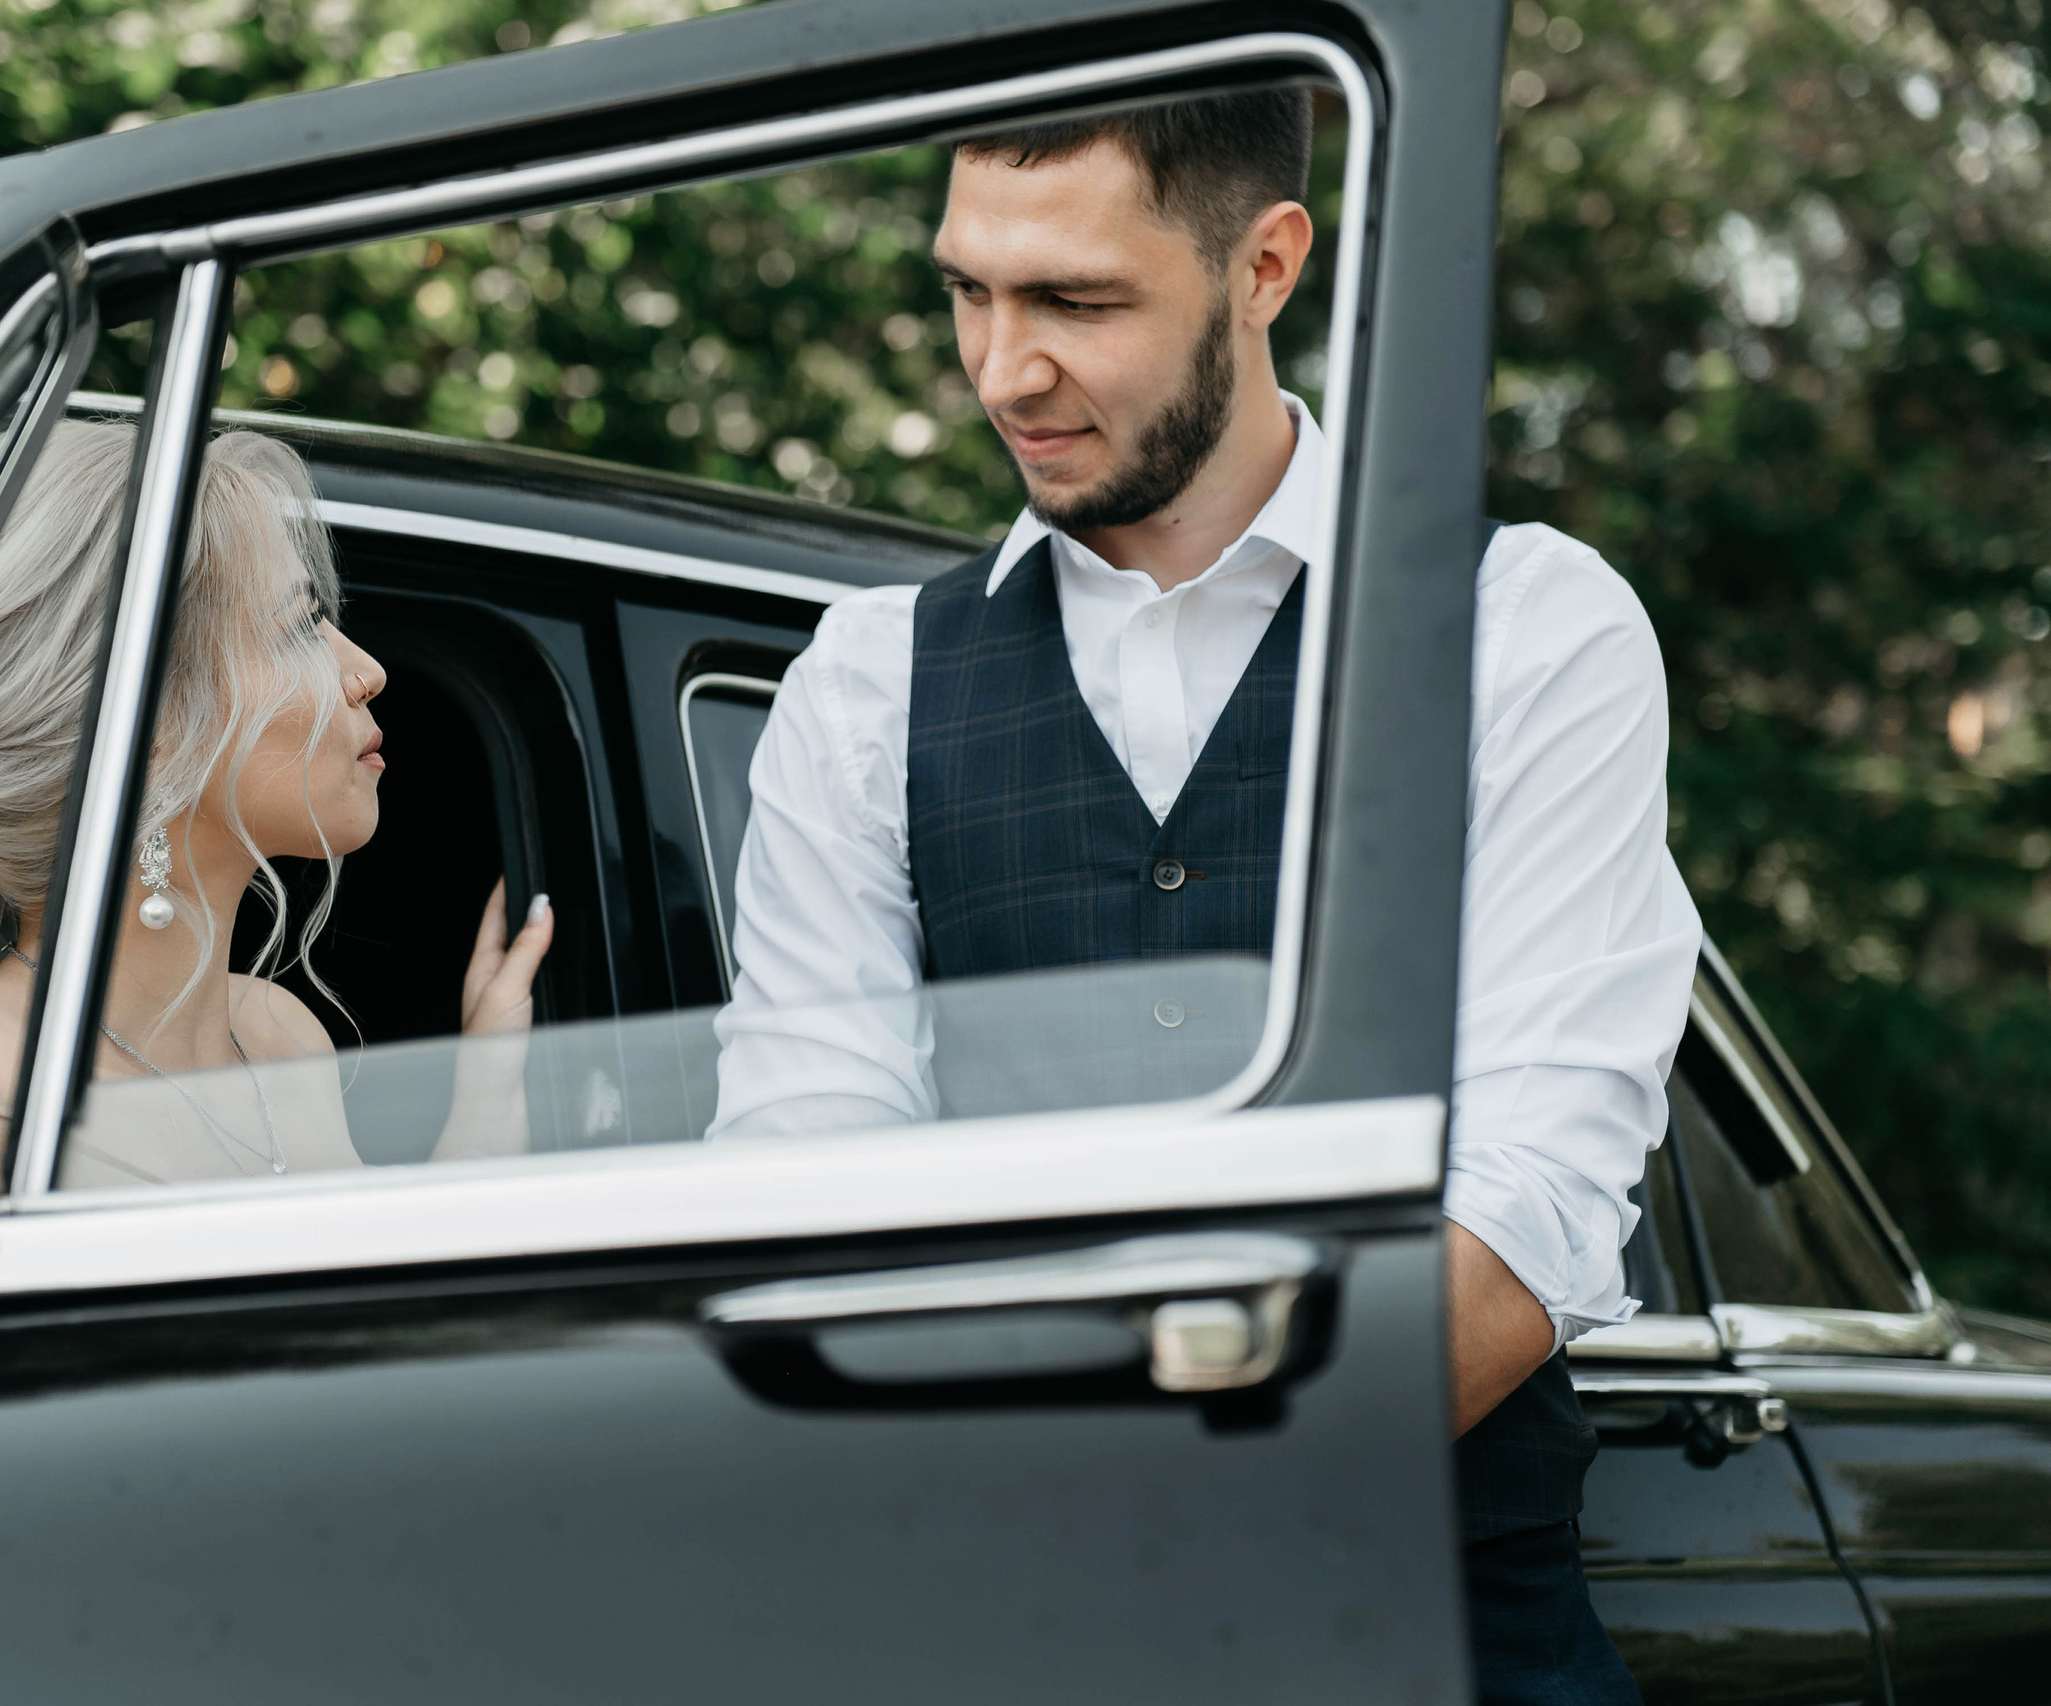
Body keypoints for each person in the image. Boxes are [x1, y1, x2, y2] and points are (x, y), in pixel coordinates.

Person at [711, 93, 1699, 1703]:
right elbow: (811, 1190)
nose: (1000, 370)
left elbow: (1529, 1200)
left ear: (1265, 265)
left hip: (1441, 1637)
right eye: (970, 288)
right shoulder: (866, 685)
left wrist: (1093, 1513)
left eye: (1078, 303)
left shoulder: (1526, 628)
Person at [0, 421, 552, 1221]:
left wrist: (489, 1094)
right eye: (297, 626)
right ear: (146, 728)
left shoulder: (283, 1041)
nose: (366, 670)